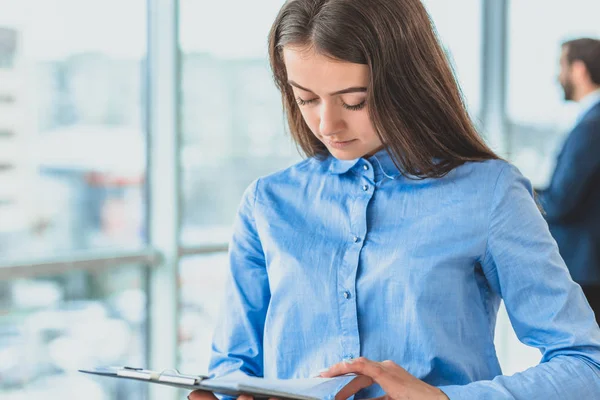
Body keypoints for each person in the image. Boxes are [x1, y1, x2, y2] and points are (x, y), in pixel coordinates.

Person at [190, 1, 600, 399]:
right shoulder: (267, 203)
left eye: (355, 101)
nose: (326, 124)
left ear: (407, 84)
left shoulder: (489, 192)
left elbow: (586, 364)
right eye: (306, 98)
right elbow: (232, 369)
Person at [536, 38, 600, 325]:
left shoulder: (591, 126)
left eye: (561, 65)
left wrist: (518, 197)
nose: (556, 76)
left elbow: (561, 202)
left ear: (579, 69)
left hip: (586, 270)